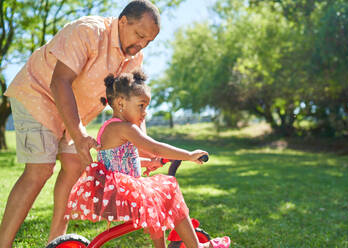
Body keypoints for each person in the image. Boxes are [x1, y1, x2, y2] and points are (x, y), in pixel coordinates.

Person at [0, 1, 161, 247]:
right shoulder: (88, 31)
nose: (141, 44)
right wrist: (78, 133)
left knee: (75, 164)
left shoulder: (133, 57)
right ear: (123, 21)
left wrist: (142, 153)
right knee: (40, 169)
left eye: (148, 41)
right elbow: (60, 82)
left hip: (75, 108)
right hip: (39, 93)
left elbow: (130, 109)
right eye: (139, 35)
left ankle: (57, 242)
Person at [63, 70, 230, 248]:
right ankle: (197, 246)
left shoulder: (108, 128)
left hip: (111, 193)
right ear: (120, 103)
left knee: (155, 199)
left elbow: (117, 163)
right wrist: (188, 155)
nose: (145, 112)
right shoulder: (125, 128)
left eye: (146, 106)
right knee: (168, 189)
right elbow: (154, 147)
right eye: (141, 105)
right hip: (120, 196)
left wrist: (150, 162)